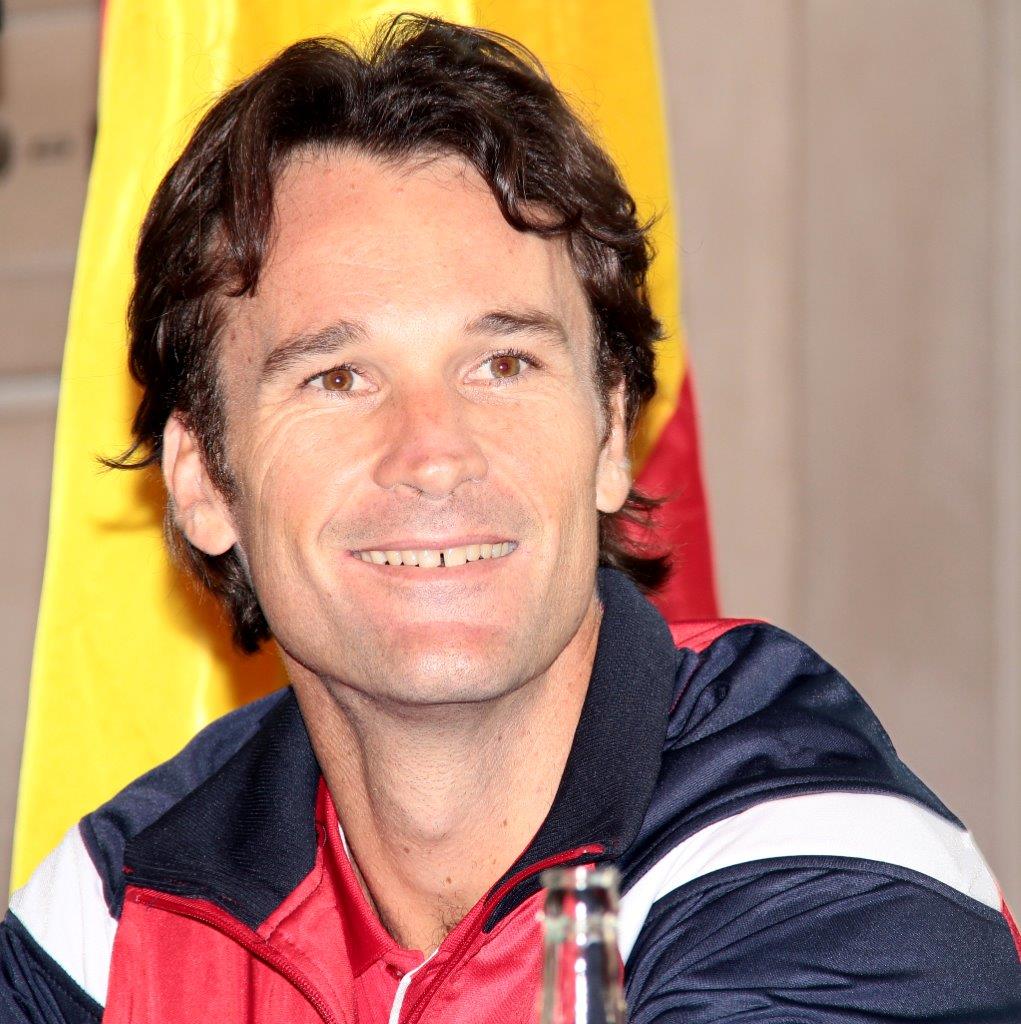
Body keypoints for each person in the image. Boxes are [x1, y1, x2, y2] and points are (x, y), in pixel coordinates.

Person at [2, 15, 1019, 1024]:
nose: (434, 452)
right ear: (202, 481)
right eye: (338, 376)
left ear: (609, 434)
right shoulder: (124, 910)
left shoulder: (817, 870)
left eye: (502, 362)